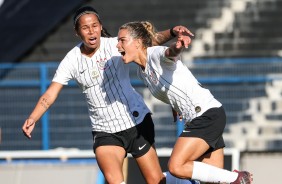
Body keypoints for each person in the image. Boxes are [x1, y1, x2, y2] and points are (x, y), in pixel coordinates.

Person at [21, 6, 196, 184]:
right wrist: (33, 117)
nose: (91, 31)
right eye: (85, 27)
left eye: (95, 25)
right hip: (105, 131)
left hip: (137, 123)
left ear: (100, 26)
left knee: (156, 181)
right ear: (77, 32)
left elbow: (147, 41)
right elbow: (51, 92)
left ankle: (183, 182)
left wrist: (173, 31)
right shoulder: (71, 60)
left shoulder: (115, 45)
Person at [116, 21, 253, 184]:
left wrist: (178, 46)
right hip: (204, 116)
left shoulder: (154, 54)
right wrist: (175, 104)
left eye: (122, 40)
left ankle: (237, 178)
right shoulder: (141, 72)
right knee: (210, 181)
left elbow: (169, 53)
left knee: (176, 166)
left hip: (205, 115)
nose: (118, 46)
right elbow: (169, 85)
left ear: (138, 42)